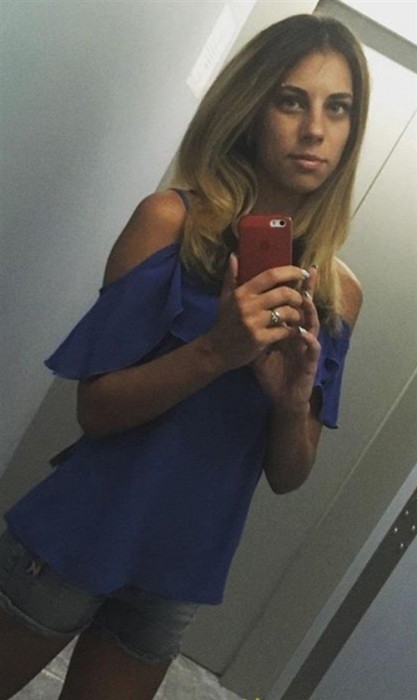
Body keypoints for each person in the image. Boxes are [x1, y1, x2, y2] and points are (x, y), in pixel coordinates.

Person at [0, 12, 369, 700]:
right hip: (76, 536)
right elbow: (96, 410)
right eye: (291, 101)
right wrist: (217, 350)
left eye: (338, 107)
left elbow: (288, 475)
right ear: (251, 109)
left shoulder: (336, 293)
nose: (315, 129)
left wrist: (291, 402)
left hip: (177, 573)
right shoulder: (169, 223)